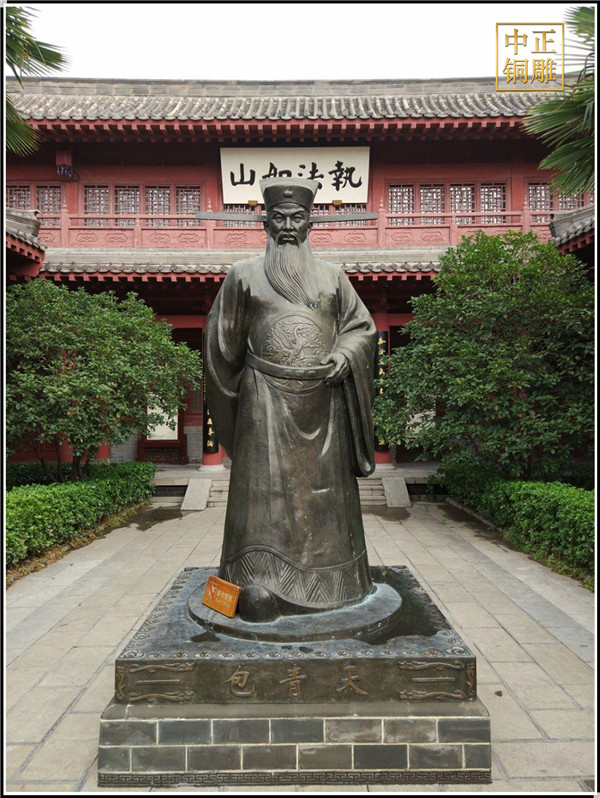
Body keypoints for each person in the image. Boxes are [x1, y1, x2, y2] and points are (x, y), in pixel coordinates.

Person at [205, 177, 376, 622]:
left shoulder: (333, 278)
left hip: (325, 402)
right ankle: (252, 581)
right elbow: (221, 345)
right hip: (263, 403)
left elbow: (360, 328)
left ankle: (337, 582)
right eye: (278, 218)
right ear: (265, 224)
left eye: (296, 218)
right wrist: (238, 402)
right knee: (261, 501)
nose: (287, 226)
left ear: (309, 224)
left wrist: (345, 354)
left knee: (324, 500)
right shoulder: (243, 276)